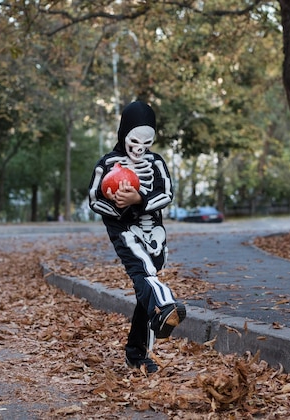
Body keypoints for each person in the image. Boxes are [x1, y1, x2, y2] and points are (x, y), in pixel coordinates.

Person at [88, 100, 186, 374]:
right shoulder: (108, 163)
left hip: (153, 231)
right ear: (123, 134)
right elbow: (94, 200)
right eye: (134, 140)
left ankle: (137, 354)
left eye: (148, 141)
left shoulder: (156, 162)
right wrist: (118, 203)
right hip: (124, 231)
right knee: (142, 272)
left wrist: (140, 198)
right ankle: (164, 305)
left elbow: (166, 194)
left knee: (146, 284)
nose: (140, 147)